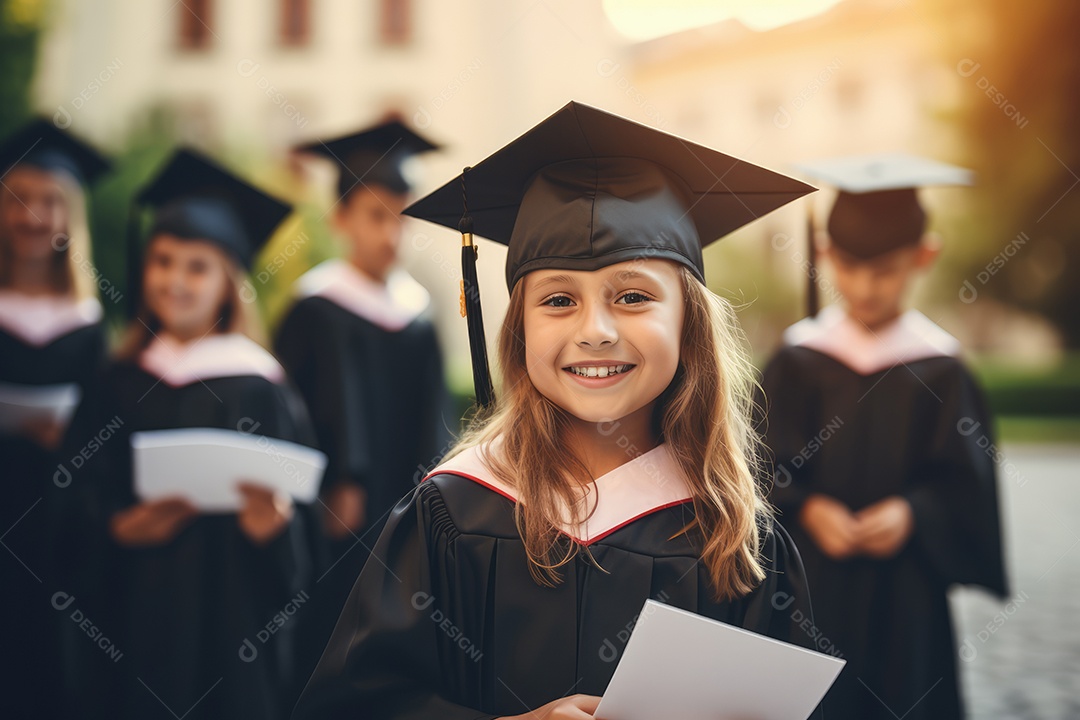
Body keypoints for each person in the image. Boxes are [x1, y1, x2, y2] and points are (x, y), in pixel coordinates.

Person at [292, 101, 819, 719]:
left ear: (689, 324)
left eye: (632, 295)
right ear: (518, 331)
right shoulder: (451, 513)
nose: (594, 331)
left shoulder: (736, 538)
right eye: (559, 299)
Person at [62, 148, 316, 720]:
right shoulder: (118, 379)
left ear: (228, 282)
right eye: (162, 261)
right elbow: (70, 499)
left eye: (196, 267)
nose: (175, 281)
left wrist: (273, 529)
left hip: (235, 634)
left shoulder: (262, 387)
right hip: (133, 622)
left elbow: (304, 529)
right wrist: (117, 528)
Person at [759, 154, 1008, 720]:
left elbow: (966, 485)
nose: (865, 285)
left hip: (908, 596)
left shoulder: (941, 367)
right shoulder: (798, 360)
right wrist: (807, 506)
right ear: (824, 254)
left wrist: (914, 514)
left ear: (924, 257)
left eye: (886, 269)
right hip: (810, 589)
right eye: (848, 266)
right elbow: (755, 467)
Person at [275, 118, 453, 680]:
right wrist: (337, 480)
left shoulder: (417, 314)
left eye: (403, 218)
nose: (391, 234)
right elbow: (289, 416)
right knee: (332, 638)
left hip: (409, 504)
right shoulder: (313, 309)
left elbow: (437, 417)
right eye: (376, 216)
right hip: (334, 517)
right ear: (340, 219)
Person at [0, 118, 111, 718]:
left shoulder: (89, 326)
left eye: (49, 201)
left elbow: (104, 435)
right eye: (17, 198)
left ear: (70, 218)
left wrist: (69, 441)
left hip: (54, 524)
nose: (32, 215)